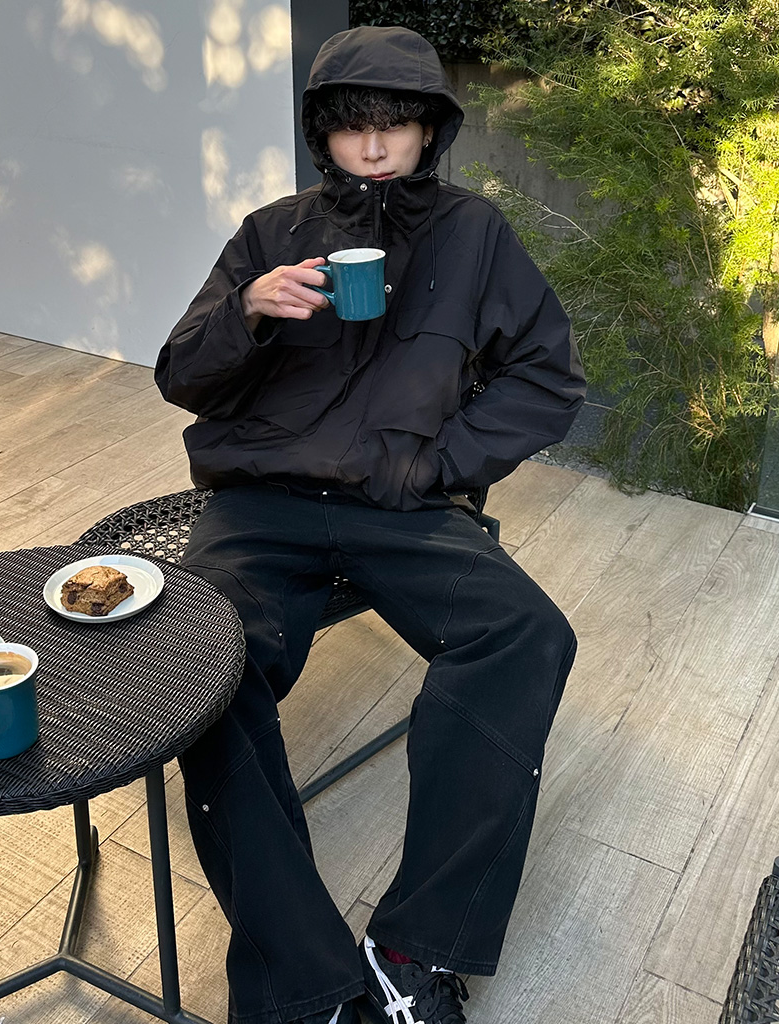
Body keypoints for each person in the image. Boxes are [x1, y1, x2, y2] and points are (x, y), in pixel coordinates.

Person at [155, 25, 586, 1024]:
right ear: (323, 134)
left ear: (431, 129)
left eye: (397, 122)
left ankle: (413, 952)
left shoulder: (474, 235)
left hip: (402, 502)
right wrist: (247, 311)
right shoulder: (270, 232)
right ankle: (304, 985)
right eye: (354, 127)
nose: (377, 146)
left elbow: (546, 375)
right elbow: (181, 375)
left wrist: (437, 462)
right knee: (204, 671)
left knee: (526, 634)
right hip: (260, 503)